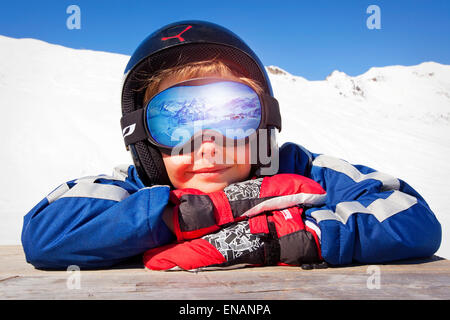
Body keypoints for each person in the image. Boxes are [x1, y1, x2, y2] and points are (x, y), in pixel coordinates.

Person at [21, 20, 441, 270]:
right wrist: (186, 214)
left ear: (263, 126)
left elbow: (412, 217)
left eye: (233, 115)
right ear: (143, 138)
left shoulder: (301, 171)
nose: (208, 145)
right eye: (175, 120)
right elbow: (45, 232)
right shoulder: (134, 186)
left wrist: (292, 234)